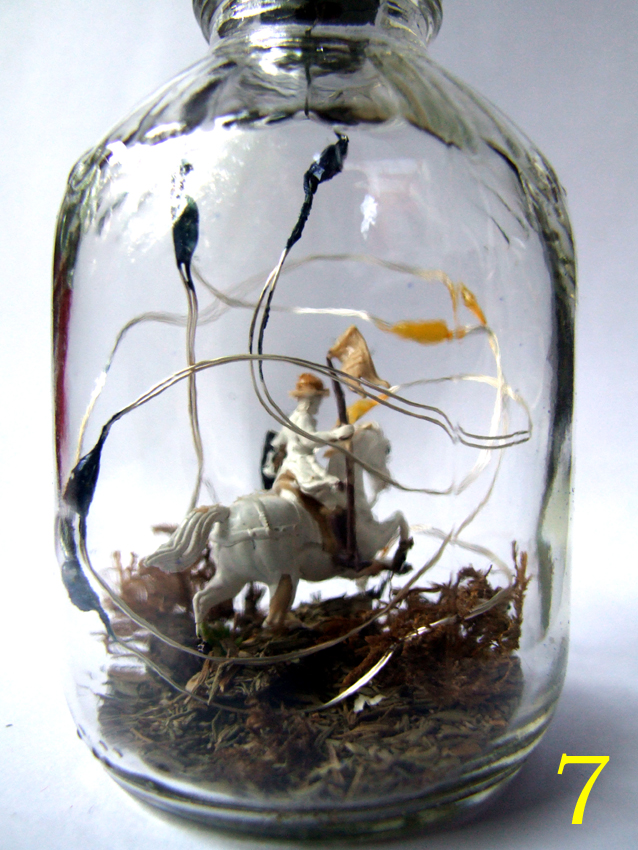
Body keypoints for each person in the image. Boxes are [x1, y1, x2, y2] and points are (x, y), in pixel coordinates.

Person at [263, 373, 353, 511]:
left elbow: (279, 442)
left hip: (288, 465)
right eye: (318, 399)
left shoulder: (291, 418)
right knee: (333, 500)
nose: (319, 403)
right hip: (302, 464)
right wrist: (335, 434)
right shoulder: (304, 417)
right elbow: (308, 440)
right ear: (311, 399)